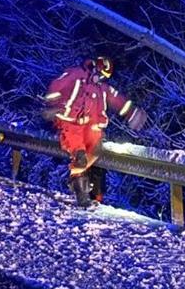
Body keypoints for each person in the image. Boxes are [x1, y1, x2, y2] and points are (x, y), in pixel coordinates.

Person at [43, 56, 147, 208]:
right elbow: (57, 85)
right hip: (71, 123)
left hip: (92, 126)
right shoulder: (76, 75)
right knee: (80, 155)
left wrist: (132, 113)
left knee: (94, 152)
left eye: (105, 77)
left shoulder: (102, 88)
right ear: (96, 68)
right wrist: (53, 105)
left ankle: (79, 181)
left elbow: (117, 99)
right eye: (102, 75)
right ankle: (82, 196)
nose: (102, 79)